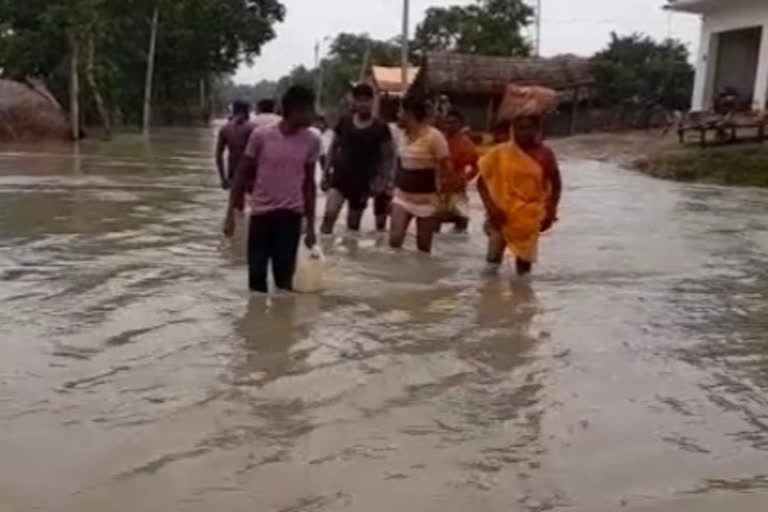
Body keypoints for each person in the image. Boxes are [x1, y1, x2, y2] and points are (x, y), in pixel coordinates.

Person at [223, 86, 320, 293]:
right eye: (310, 109)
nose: (314, 114)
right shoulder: (261, 136)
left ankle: (282, 322)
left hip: (291, 217)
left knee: (284, 283)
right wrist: (230, 214)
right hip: (261, 216)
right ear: (296, 110)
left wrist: (311, 226)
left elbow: (309, 185)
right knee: (256, 281)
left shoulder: (312, 140)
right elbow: (241, 175)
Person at [477, 86, 562, 277]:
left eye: (528, 128)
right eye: (519, 128)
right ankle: (488, 300)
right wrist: (491, 209)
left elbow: (556, 185)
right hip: (501, 214)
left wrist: (550, 213)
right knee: (492, 262)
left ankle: (523, 302)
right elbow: (481, 183)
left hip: (529, 216)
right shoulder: (500, 152)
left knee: (524, 267)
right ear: (512, 129)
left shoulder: (545, 155)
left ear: (536, 129)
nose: (523, 132)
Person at [321, 83, 393, 234]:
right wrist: (325, 172)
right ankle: (322, 254)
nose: (363, 104)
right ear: (353, 101)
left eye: (367, 100)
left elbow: (387, 158)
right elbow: (333, 147)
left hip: (362, 184)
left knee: (352, 228)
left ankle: (349, 255)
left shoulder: (380, 127)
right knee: (329, 216)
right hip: (340, 179)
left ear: (373, 101)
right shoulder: (345, 121)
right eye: (359, 100)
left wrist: (383, 182)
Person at [389, 94, 453, 253]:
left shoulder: (435, 137)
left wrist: (444, 200)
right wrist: (391, 188)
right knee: (394, 241)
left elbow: (446, 169)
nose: (397, 116)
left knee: (423, 247)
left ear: (409, 114)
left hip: (427, 201)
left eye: (400, 112)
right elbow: (398, 164)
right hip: (402, 197)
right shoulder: (400, 136)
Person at [439, 109, 479, 233]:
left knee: (462, 221)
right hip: (438, 189)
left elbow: (476, 166)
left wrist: (466, 178)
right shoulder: (437, 140)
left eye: (453, 122)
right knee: (433, 223)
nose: (450, 125)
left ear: (461, 124)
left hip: (458, 189)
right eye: (447, 122)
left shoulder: (467, 144)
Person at [215, 99, 254, 190]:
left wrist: (223, 179)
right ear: (245, 111)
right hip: (251, 175)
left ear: (234, 111)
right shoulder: (253, 127)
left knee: (235, 202)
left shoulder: (225, 129)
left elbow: (218, 155)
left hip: (233, 173)